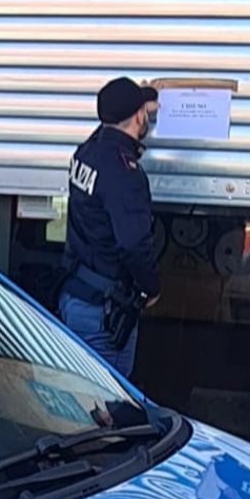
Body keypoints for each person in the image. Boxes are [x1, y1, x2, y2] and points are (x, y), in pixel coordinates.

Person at [58, 77, 161, 377]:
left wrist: (142, 98)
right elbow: (133, 243)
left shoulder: (86, 152)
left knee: (78, 392)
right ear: (141, 116)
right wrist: (151, 288)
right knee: (107, 406)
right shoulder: (124, 173)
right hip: (102, 311)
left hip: (77, 294)